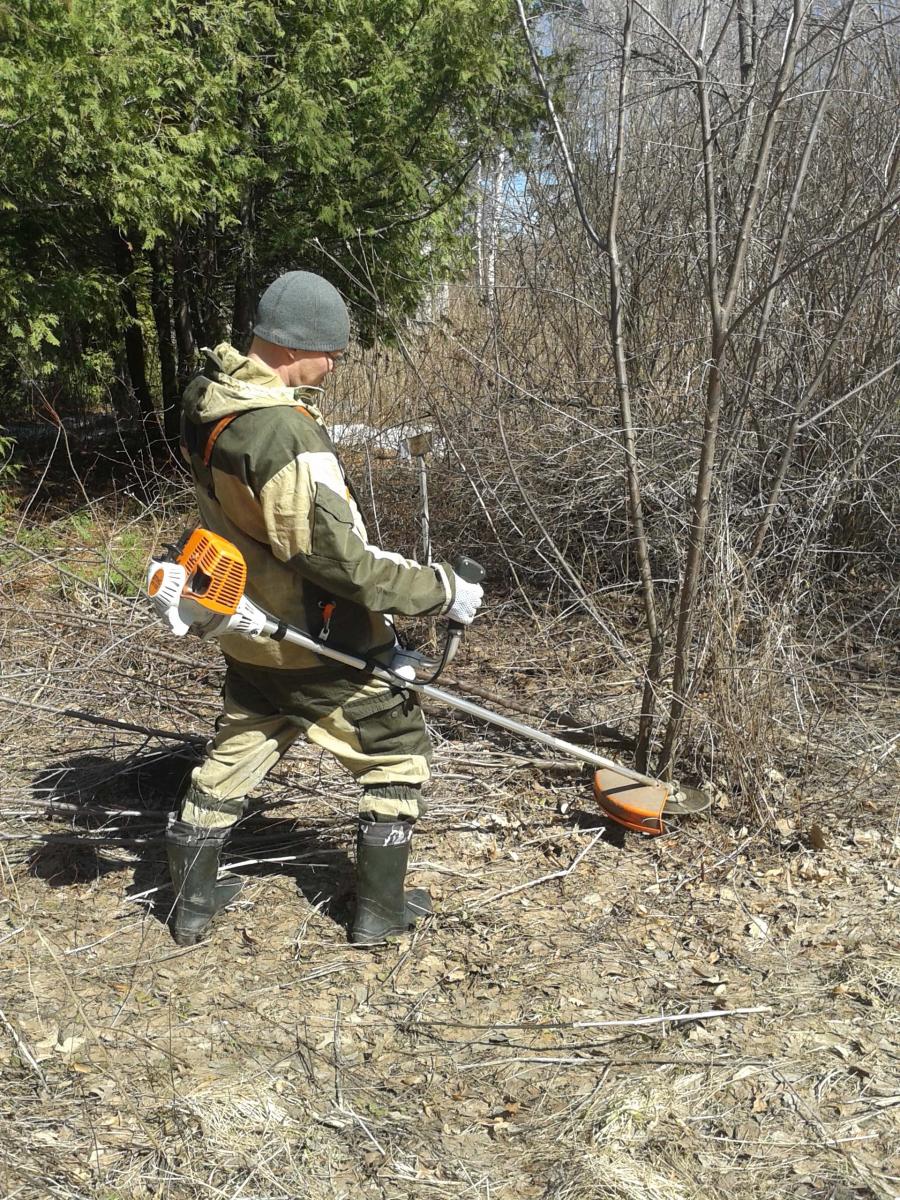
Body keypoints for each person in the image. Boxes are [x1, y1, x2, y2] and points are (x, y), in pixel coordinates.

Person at [167, 270, 483, 947]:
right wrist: (441, 588)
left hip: (243, 625)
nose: (336, 363)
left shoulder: (210, 402)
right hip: (312, 638)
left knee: (237, 748)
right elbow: (340, 563)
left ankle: (190, 902)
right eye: (331, 350)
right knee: (396, 754)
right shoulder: (281, 434)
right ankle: (377, 910)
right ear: (293, 346)